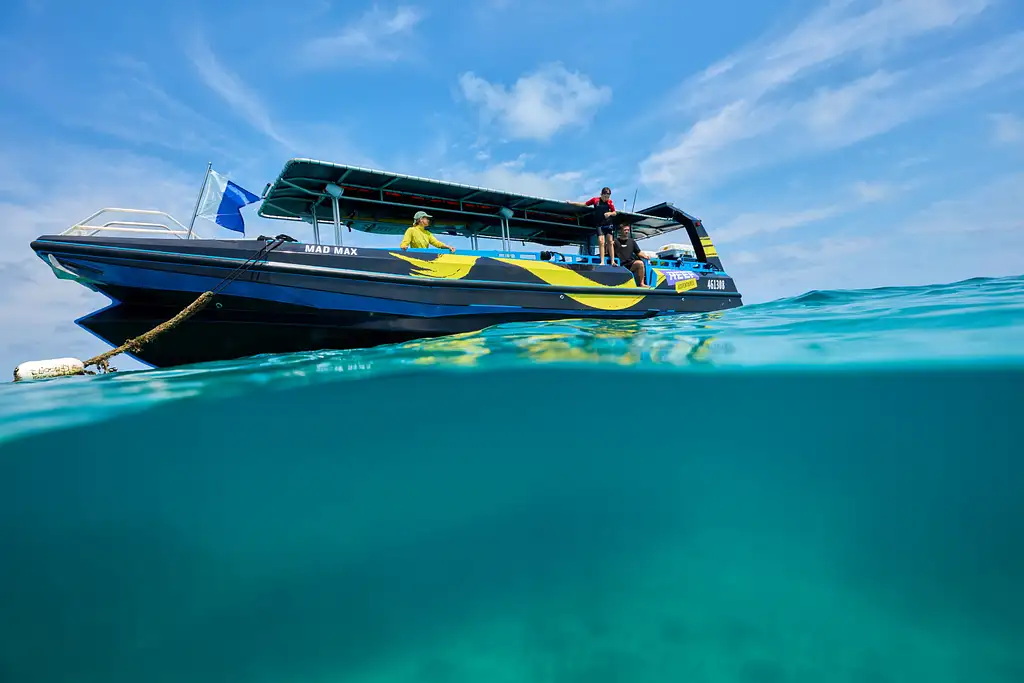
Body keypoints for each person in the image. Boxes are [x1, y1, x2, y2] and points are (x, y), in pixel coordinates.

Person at [569, 187, 617, 266]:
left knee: (610, 242)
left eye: (608, 197)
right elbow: (584, 204)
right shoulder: (595, 200)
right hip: (599, 224)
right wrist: (571, 203)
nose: (606, 199)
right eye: (605, 197)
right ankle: (602, 262)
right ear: (601, 194)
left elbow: (615, 212)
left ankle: (612, 261)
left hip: (608, 224)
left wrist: (610, 213)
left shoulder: (610, 202)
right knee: (601, 242)